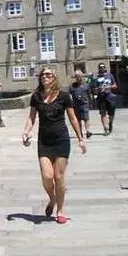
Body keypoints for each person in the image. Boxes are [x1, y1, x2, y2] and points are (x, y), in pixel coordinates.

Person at [21, 67, 86, 224]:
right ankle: (52, 198)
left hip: (61, 140)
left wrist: (80, 138)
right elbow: (31, 117)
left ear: (54, 78)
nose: (45, 76)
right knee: (47, 177)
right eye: (42, 75)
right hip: (44, 141)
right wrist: (26, 131)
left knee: (58, 176)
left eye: (48, 74)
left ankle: (60, 210)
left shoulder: (64, 96)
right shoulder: (36, 97)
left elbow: (72, 118)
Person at [94, 63, 118, 135]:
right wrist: (98, 89)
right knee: (103, 114)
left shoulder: (110, 75)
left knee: (111, 114)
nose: (102, 68)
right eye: (100, 67)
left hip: (110, 97)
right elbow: (94, 89)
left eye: (103, 67)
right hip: (101, 98)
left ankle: (110, 122)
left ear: (105, 68)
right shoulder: (96, 77)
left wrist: (108, 87)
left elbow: (115, 85)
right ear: (99, 68)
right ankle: (106, 129)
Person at [68, 70, 92, 139]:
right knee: (78, 120)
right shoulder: (72, 86)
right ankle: (80, 132)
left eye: (79, 76)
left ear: (81, 76)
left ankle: (88, 131)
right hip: (76, 105)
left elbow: (89, 94)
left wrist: (91, 102)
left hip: (84, 104)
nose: (78, 77)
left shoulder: (86, 85)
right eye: (76, 76)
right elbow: (69, 95)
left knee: (86, 118)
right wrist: (70, 102)